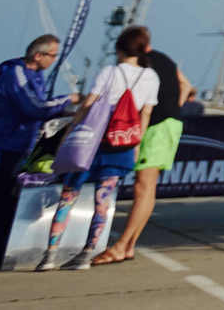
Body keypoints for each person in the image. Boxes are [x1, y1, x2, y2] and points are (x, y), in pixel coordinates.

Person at [36, 26, 156, 270]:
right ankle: (87, 253)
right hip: (122, 144)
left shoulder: (110, 72)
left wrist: (70, 131)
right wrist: (136, 145)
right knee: (103, 199)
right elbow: (146, 113)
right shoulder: (151, 77)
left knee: (69, 196)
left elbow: (89, 103)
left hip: (92, 142)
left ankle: (50, 254)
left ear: (119, 48)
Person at [89, 40, 195, 264]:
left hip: (158, 127)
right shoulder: (164, 58)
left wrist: (163, 110)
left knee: (144, 187)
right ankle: (128, 246)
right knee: (146, 188)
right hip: (168, 124)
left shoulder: (143, 66)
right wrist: (174, 107)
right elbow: (186, 85)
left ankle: (122, 245)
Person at [0, 33, 82, 269]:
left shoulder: (36, 77)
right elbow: (35, 107)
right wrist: (68, 99)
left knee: (7, 200)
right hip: (1, 145)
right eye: (52, 56)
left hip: (20, 145)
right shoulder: (15, 73)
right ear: (38, 55)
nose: (54, 61)